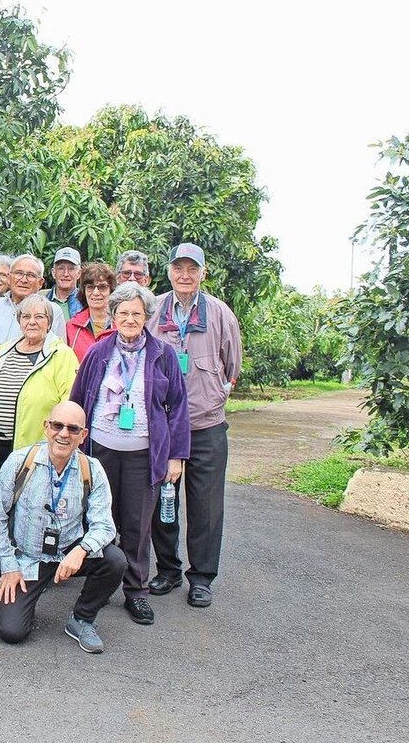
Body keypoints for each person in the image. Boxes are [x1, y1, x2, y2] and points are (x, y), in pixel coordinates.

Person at [70, 282, 190, 625]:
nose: (129, 318)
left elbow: (178, 408)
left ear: (146, 317)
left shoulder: (163, 354)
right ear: (113, 315)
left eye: (137, 313)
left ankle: (136, 591)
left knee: (137, 525)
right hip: (101, 452)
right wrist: (73, 445)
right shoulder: (98, 352)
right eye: (123, 312)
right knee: (101, 519)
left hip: (143, 455)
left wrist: (175, 456)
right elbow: (78, 399)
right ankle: (103, 581)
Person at [0, 401, 126, 653]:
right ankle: (31, 588)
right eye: (57, 425)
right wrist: (7, 566)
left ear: (83, 436)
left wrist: (81, 550)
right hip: (28, 557)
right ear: (45, 427)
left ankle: (82, 618)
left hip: (69, 553)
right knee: (11, 631)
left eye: (73, 429)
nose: (63, 434)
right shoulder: (20, 461)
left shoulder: (92, 470)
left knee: (114, 560)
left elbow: (105, 526)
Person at [148, 243, 242, 609]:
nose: (184, 275)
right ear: (169, 271)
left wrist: (214, 394)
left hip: (206, 425)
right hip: (164, 424)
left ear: (203, 273)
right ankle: (168, 569)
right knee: (160, 501)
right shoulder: (154, 309)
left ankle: (201, 577)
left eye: (192, 269)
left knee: (205, 505)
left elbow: (231, 366)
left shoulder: (219, 313)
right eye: (178, 268)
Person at [0, 295, 79, 470]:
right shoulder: (3, 352)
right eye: (26, 316)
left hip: (34, 452)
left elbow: (68, 405)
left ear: (49, 323)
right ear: (19, 321)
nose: (32, 322)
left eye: (39, 317)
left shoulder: (62, 355)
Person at [0, 254, 44, 350]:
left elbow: (59, 353)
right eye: (18, 273)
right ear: (9, 278)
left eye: (31, 275)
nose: (23, 280)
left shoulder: (50, 310)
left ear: (40, 283)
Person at [65, 262, 117, 361]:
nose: (96, 293)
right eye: (90, 287)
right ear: (83, 291)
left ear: (111, 290)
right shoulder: (72, 327)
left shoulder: (121, 326)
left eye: (102, 287)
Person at [46, 247, 83, 330]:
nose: (66, 274)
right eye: (61, 268)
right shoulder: (42, 299)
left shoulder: (86, 302)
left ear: (79, 273)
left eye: (71, 269)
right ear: (53, 273)